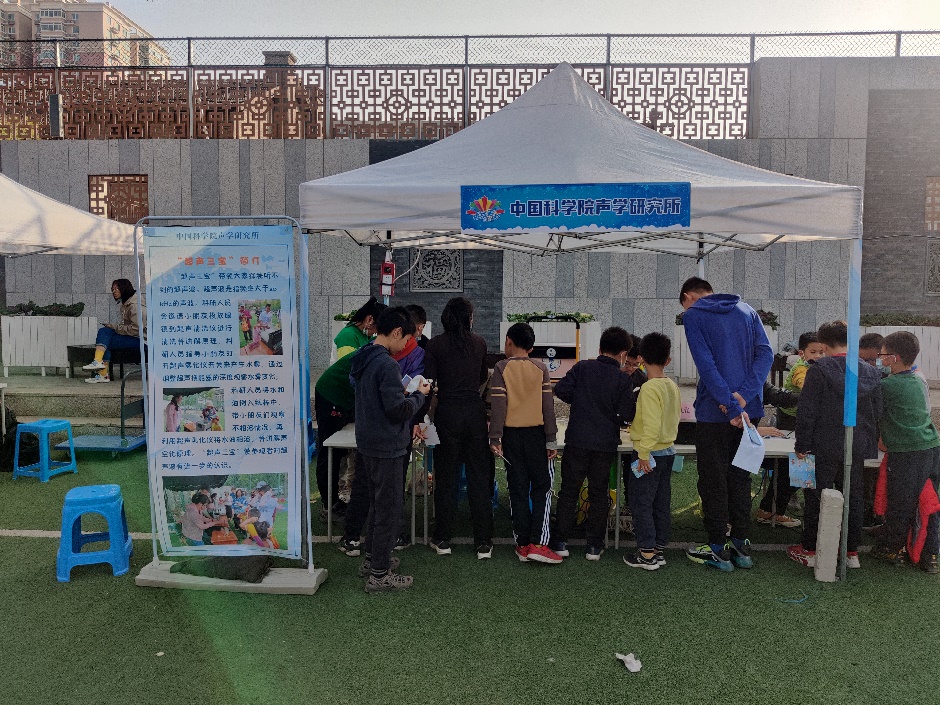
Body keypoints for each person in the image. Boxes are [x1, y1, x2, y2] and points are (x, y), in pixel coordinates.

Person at [679, 276, 773, 572]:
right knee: (741, 476)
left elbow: (705, 364)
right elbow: (765, 354)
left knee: (713, 479)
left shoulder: (693, 315)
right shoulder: (747, 310)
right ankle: (741, 546)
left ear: (688, 297)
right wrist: (743, 397)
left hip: (713, 411)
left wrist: (729, 403)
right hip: (749, 409)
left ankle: (718, 547)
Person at [787, 321, 883, 569]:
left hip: (822, 444)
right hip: (856, 444)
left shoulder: (819, 369)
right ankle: (851, 552)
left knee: (815, 496)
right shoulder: (870, 371)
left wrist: (801, 444)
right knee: (853, 496)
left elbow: (807, 410)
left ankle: (810, 549)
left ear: (823, 344)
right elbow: (877, 411)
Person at [349, 306, 429, 593]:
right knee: (388, 510)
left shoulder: (364, 356)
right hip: (388, 445)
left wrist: (402, 393)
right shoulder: (387, 365)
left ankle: (373, 560)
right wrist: (419, 396)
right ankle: (380, 575)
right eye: (406, 338)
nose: (405, 345)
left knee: (376, 505)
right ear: (396, 332)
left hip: (368, 441)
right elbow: (397, 411)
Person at [552, 326, 636, 560]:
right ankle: (594, 546)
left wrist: (580, 400)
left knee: (569, 490)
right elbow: (627, 413)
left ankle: (560, 541)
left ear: (600, 348)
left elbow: (561, 390)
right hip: (605, 443)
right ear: (623, 354)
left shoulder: (583, 367)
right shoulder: (622, 379)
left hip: (577, 439)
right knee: (599, 494)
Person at [424, 297, 494, 558]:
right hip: (474, 413)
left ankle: (443, 538)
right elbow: (482, 377)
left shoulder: (435, 345)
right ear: (469, 318)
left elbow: (429, 382)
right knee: (479, 477)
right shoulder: (479, 343)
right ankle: (484, 541)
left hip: (447, 413)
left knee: (446, 477)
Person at [489, 322, 561, 564]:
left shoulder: (501, 367)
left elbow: (498, 406)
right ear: (531, 347)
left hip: (511, 437)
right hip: (537, 436)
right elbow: (548, 407)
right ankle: (538, 544)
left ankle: (522, 544)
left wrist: (495, 437)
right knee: (541, 488)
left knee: (517, 489)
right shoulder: (541, 368)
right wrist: (551, 440)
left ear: (509, 341)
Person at [871, 331, 940, 572]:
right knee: (929, 501)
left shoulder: (887, 386)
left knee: (901, 502)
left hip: (907, 453)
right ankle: (930, 554)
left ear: (894, 357)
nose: (879, 359)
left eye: (881, 355)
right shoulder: (917, 379)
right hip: (931, 447)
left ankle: (892, 549)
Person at [314, 297, 387, 518]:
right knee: (330, 450)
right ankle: (329, 504)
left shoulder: (366, 336)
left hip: (347, 398)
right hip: (332, 394)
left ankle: (343, 497)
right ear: (369, 319)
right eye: (378, 327)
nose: (378, 333)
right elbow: (355, 374)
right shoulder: (348, 336)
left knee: (345, 450)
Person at [622, 332, 681, 570]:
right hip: (668, 451)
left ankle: (646, 553)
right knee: (661, 502)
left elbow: (652, 426)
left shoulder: (648, 388)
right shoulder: (672, 385)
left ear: (641, 359)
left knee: (641, 502)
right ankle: (658, 548)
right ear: (668, 360)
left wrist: (643, 453)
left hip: (649, 454)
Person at [754, 381, 803, 528]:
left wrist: (806, 395)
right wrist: (756, 430)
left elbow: (778, 395)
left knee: (797, 465)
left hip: (753, 439)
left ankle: (770, 510)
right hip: (735, 440)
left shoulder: (758, 379)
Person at [83, 278, 146, 384]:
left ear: (124, 288)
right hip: (132, 337)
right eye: (112, 289)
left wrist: (115, 327)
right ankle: (100, 369)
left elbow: (136, 329)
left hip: (141, 339)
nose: (114, 291)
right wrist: (113, 326)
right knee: (105, 335)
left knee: (105, 338)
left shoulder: (135, 305)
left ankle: (100, 368)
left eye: (116, 288)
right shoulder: (126, 303)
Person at [776, 332, 826, 431]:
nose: (818, 356)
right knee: (789, 437)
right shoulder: (801, 368)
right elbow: (804, 384)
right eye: (813, 352)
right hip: (790, 413)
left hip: (804, 410)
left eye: (821, 352)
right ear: (801, 353)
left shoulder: (815, 365)